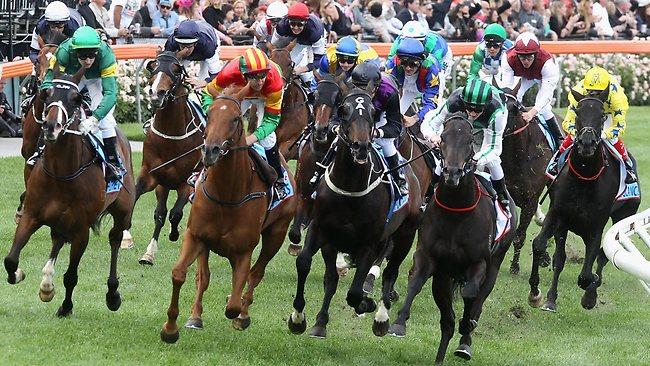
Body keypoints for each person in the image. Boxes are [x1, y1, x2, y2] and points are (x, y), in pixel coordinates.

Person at [310, 61, 409, 196]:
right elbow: (335, 116)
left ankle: (399, 179)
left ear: (376, 87)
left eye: (366, 89)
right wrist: (335, 128)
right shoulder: (347, 87)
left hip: (379, 118)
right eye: (358, 87)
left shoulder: (389, 92)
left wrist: (377, 132)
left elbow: (396, 126)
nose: (361, 93)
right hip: (357, 120)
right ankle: (319, 175)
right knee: (336, 142)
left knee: (386, 144)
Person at [200, 47, 289, 192]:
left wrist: (252, 138)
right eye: (254, 76)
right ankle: (202, 171)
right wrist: (212, 114)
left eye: (263, 75)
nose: (260, 81)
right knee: (218, 128)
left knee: (268, 139)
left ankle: (278, 179)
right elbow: (207, 92)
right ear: (243, 74)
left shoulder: (275, 83)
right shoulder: (229, 73)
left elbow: (271, 120)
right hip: (240, 95)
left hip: (265, 99)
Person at [40, 26, 122, 182]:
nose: (88, 60)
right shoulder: (64, 51)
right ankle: (40, 149)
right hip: (71, 78)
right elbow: (49, 80)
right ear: (74, 50)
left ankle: (113, 163)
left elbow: (110, 94)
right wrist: (49, 96)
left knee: (105, 120)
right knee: (55, 110)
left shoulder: (106, 55)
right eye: (83, 56)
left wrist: (94, 119)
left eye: (92, 55)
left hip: (96, 79)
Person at [421, 78, 510, 209]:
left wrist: (476, 159)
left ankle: (502, 195)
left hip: (487, 127)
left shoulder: (497, 113)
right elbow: (429, 122)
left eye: (478, 109)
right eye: (469, 107)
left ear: (486, 105)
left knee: (493, 161)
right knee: (448, 155)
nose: (473, 113)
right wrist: (433, 136)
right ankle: (429, 192)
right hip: (461, 122)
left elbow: (494, 148)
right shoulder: (453, 101)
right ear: (463, 102)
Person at [550, 66, 636, 183]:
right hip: (586, 112)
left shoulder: (617, 98)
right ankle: (556, 160)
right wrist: (578, 133)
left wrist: (603, 135)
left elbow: (619, 127)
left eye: (598, 93)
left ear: (606, 91)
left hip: (607, 113)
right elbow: (567, 123)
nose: (593, 95)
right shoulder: (578, 92)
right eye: (590, 92)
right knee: (573, 136)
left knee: (613, 139)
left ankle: (628, 166)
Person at [500, 32, 564, 147]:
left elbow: (546, 95)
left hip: (542, 76)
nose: (525, 61)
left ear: (536, 53)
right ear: (516, 53)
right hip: (525, 76)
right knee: (514, 99)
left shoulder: (547, 63)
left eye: (529, 57)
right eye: (522, 57)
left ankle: (559, 139)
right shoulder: (508, 58)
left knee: (543, 109)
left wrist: (532, 113)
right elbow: (507, 89)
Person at [386, 20, 453, 106]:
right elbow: (391, 62)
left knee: (438, 78)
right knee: (409, 82)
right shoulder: (398, 43)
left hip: (442, 57)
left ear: (423, 40)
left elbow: (436, 68)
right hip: (421, 59)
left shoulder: (433, 43)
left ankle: (437, 106)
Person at [388, 38, 441, 126]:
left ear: (421, 62)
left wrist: (415, 118)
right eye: (404, 63)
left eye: (413, 64)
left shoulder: (431, 70)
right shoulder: (392, 65)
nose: (408, 68)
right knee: (395, 115)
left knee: (433, 119)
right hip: (409, 85)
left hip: (428, 80)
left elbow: (431, 103)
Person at [271, 2, 326, 85]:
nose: (296, 28)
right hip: (295, 40)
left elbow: (318, 60)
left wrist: (303, 69)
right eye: (292, 24)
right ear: (288, 21)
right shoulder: (281, 26)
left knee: (308, 74)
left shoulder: (315, 32)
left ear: (306, 22)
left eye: (300, 24)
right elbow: (274, 46)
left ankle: (310, 89)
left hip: (310, 41)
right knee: (290, 63)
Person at [164, 19, 221, 86]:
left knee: (204, 76)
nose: (185, 49)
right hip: (196, 46)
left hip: (205, 47)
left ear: (195, 43)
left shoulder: (208, 45)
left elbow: (216, 74)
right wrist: (177, 56)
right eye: (182, 45)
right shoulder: (171, 42)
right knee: (175, 72)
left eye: (189, 46)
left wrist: (203, 82)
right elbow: (165, 66)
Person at [29, 1, 85, 66]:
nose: (56, 30)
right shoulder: (40, 28)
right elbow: (33, 52)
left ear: (65, 23)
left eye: (59, 27)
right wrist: (38, 63)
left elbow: (79, 54)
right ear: (47, 24)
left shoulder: (75, 30)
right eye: (53, 27)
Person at [314, 35, 379, 82]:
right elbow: (320, 81)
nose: (345, 64)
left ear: (356, 58)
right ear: (337, 56)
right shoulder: (327, 60)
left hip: (366, 71)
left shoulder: (368, 62)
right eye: (342, 60)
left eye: (350, 61)